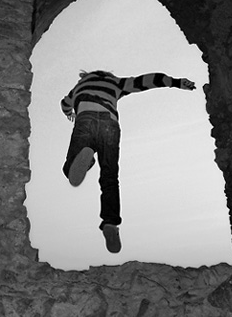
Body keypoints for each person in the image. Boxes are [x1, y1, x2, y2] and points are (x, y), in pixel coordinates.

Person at [61, 70, 196, 254]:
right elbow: (146, 80)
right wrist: (177, 82)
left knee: (71, 168)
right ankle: (110, 223)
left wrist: (69, 112)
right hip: (110, 124)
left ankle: (86, 157)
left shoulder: (78, 87)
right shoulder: (115, 82)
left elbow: (64, 103)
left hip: (85, 119)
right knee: (109, 177)